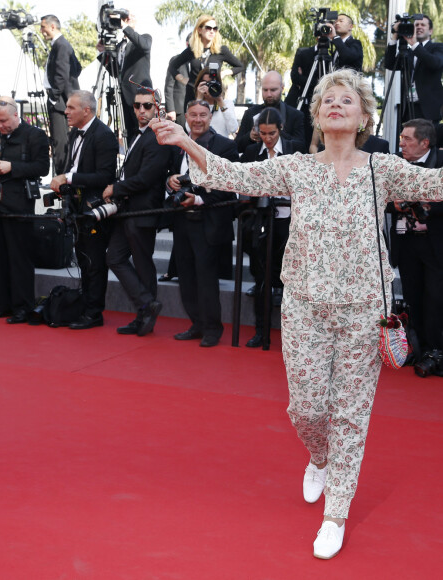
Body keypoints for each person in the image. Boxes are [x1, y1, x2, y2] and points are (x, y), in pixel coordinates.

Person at [151, 68, 443, 559]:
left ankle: (336, 513)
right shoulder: (297, 168)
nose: (335, 105)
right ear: (316, 115)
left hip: (364, 309)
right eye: (328, 100)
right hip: (305, 305)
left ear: (364, 116)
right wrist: (184, 140)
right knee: (305, 408)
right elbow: (233, 174)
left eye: (346, 100)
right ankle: (318, 454)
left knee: (351, 416)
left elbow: (436, 183)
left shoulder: (383, 167)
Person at [0, 96, 50, 324]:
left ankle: (22, 307)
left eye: (3, 120)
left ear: (16, 115)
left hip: (19, 205)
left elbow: (42, 167)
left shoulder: (35, 135)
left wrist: (12, 167)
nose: (0, 125)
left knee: (19, 259)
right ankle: (2, 304)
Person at [166, 99, 238, 347]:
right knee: (185, 277)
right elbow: (167, 174)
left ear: (210, 117)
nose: (197, 120)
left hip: (208, 222)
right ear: (186, 116)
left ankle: (212, 329)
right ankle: (196, 323)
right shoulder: (176, 145)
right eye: (193, 114)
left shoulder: (225, 147)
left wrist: (197, 199)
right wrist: (171, 181)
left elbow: (228, 189)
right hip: (182, 221)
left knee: (206, 280)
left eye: (203, 115)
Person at [103, 87, 172, 336]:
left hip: (143, 212)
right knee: (114, 257)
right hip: (128, 210)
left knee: (143, 265)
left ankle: (145, 313)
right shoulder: (140, 135)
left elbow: (146, 178)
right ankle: (146, 305)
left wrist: (115, 188)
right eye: (136, 106)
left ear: (157, 108)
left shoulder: (158, 136)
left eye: (147, 106)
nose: (141, 110)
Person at [49, 90, 118, 329]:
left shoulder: (104, 135)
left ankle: (93, 313)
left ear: (86, 110)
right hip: (78, 207)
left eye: (70, 108)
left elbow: (105, 176)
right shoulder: (74, 134)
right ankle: (85, 307)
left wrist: (67, 178)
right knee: (84, 260)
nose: (65, 111)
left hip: (95, 210)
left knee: (95, 263)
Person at [389, 119, 443, 372]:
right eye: (401, 137)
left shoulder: (440, 163)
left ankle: (436, 352)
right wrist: (397, 202)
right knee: (412, 297)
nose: (401, 143)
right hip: (406, 243)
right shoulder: (395, 164)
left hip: (435, 245)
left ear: (425, 142)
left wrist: (421, 201)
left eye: (407, 139)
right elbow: (382, 198)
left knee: (435, 299)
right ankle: (417, 347)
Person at [240, 107, 292, 347]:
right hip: (261, 222)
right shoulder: (252, 152)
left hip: (289, 224)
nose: (267, 138)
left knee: (289, 279)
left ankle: (292, 334)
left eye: (271, 133)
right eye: (262, 133)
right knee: (261, 279)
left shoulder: (294, 149)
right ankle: (261, 330)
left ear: (280, 130)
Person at [286, 14, 363, 148]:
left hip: (345, 95)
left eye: (341, 21)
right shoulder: (329, 51)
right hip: (320, 97)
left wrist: (334, 38)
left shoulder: (352, 45)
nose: (337, 23)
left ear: (351, 26)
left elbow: (347, 56)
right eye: (336, 21)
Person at [168, 14, 244, 112]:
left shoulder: (222, 50)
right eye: (208, 28)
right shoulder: (191, 51)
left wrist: (224, 73)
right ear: (199, 30)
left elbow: (240, 66)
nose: (212, 31)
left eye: (215, 28)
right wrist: (183, 79)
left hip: (213, 95)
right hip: (193, 95)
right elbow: (172, 66)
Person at [97, 12, 151, 138]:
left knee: (144, 132)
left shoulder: (145, 38)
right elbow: (115, 72)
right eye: (125, 18)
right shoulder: (120, 46)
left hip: (140, 95)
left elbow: (144, 46)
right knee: (130, 133)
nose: (128, 19)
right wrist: (102, 52)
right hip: (123, 97)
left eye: (130, 17)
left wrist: (124, 26)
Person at [40, 14, 81, 174]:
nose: (41, 30)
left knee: (60, 140)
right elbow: (76, 68)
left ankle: (62, 175)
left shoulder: (61, 45)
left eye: (43, 27)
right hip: (64, 98)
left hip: (60, 101)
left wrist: (54, 96)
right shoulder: (61, 44)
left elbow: (61, 74)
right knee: (62, 139)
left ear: (52, 26)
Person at [385, 15, 443, 124]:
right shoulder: (408, 52)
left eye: (423, 25)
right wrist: (394, 37)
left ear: (430, 31)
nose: (419, 27)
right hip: (408, 106)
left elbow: (435, 63)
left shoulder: (437, 47)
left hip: (428, 109)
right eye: (416, 25)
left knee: (426, 140)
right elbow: (390, 64)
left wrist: (414, 44)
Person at [236, 70, 305, 153]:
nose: (269, 94)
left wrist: (278, 133)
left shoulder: (295, 115)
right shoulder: (250, 113)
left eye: (273, 90)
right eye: (265, 90)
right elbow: (236, 147)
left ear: (282, 88)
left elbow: (301, 148)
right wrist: (250, 137)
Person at [193, 66, 238, 138]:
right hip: (200, 147)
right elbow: (189, 128)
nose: (209, 87)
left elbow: (233, 128)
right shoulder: (194, 105)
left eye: (212, 84)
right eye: (206, 84)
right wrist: (199, 100)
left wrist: (220, 102)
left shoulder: (227, 103)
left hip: (221, 147)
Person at [164, 34, 192, 129]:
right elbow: (169, 86)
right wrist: (171, 109)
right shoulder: (176, 60)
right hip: (179, 110)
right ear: (187, 44)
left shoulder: (202, 62)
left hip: (196, 109)